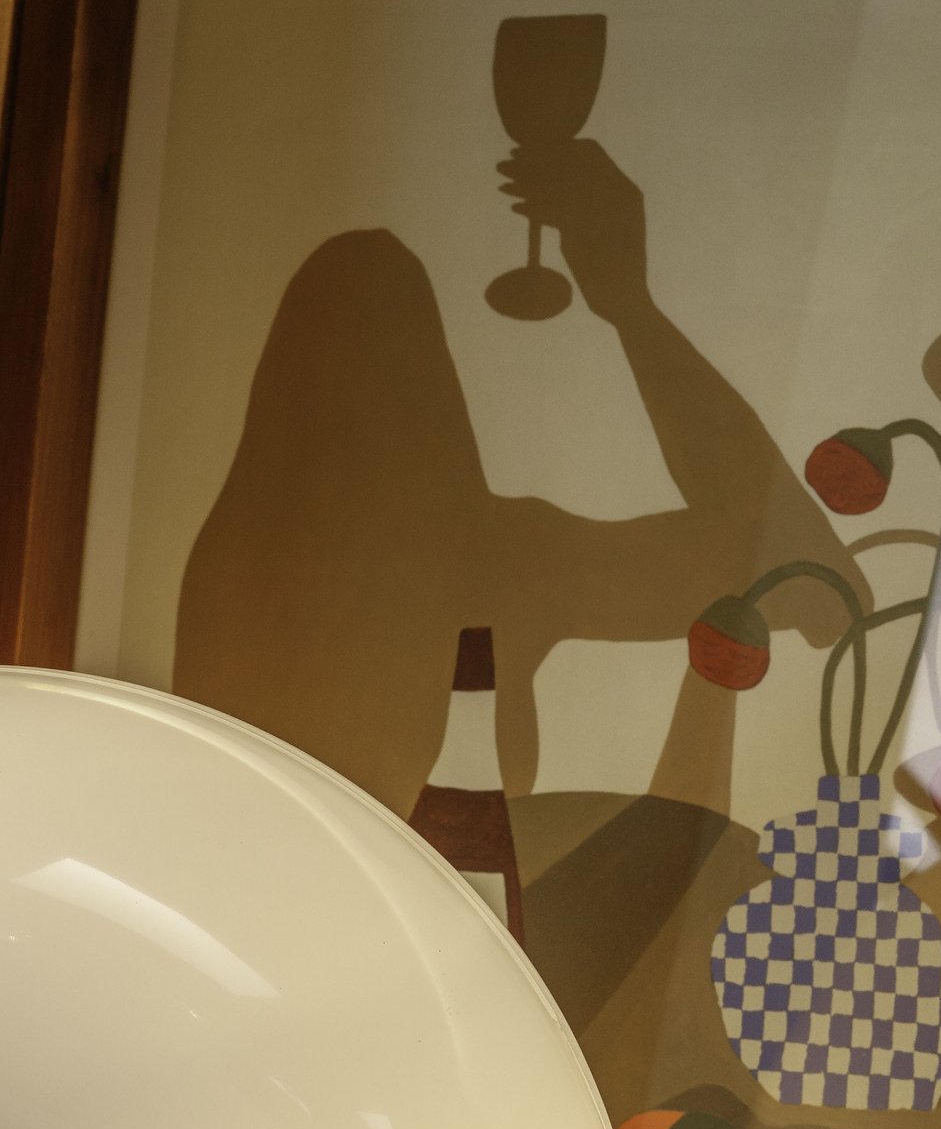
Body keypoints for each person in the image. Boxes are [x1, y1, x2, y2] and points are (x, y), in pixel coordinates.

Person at [174, 125, 864, 816]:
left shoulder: (231, 570)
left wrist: (629, 304)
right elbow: (811, 579)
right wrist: (628, 306)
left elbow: (814, 586)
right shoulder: (492, 561)